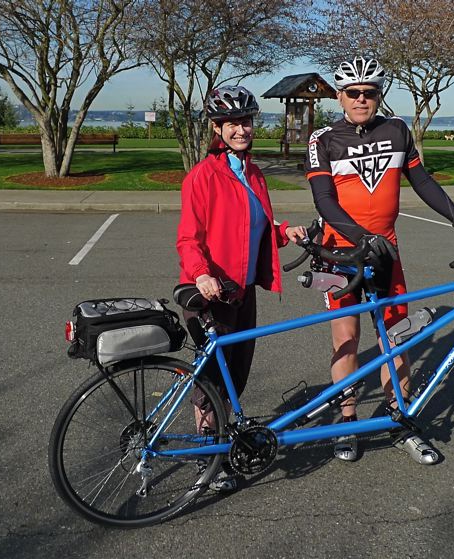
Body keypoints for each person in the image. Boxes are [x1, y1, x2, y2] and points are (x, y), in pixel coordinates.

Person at [305, 57, 454, 464]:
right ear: (340, 96)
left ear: (379, 94)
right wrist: (360, 238)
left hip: (387, 253)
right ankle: (348, 422)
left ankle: (397, 419)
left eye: (369, 93)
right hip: (341, 254)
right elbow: (323, 200)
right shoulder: (323, 139)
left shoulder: (397, 129)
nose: (361, 100)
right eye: (353, 93)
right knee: (345, 339)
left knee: (397, 340)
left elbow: (422, 181)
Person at [177, 85, 306, 490]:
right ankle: (205, 458)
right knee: (211, 382)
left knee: (236, 376)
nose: (241, 129)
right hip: (213, 294)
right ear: (218, 128)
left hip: (243, 291)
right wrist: (200, 273)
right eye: (232, 123)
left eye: (246, 122)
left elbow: (256, 227)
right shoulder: (202, 176)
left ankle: (222, 443)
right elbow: (187, 238)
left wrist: (286, 231)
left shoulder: (253, 173)